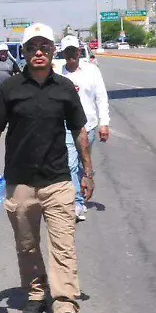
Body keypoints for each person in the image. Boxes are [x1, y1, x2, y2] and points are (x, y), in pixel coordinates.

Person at [0, 24, 92, 313]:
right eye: (32, 48)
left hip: (58, 181)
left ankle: (66, 306)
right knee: (27, 245)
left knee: (64, 246)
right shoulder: (11, 89)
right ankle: (36, 292)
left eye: (44, 47)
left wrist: (88, 172)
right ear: (24, 53)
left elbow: (79, 131)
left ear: (53, 51)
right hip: (21, 183)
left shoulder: (65, 88)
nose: (39, 52)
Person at [57, 36, 110, 222]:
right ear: (62, 53)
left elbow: (101, 98)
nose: (71, 55)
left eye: (74, 51)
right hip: (67, 126)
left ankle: (78, 194)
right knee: (70, 163)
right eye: (67, 51)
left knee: (81, 163)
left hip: (89, 125)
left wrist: (104, 123)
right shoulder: (58, 73)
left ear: (79, 52)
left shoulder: (92, 71)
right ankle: (77, 203)